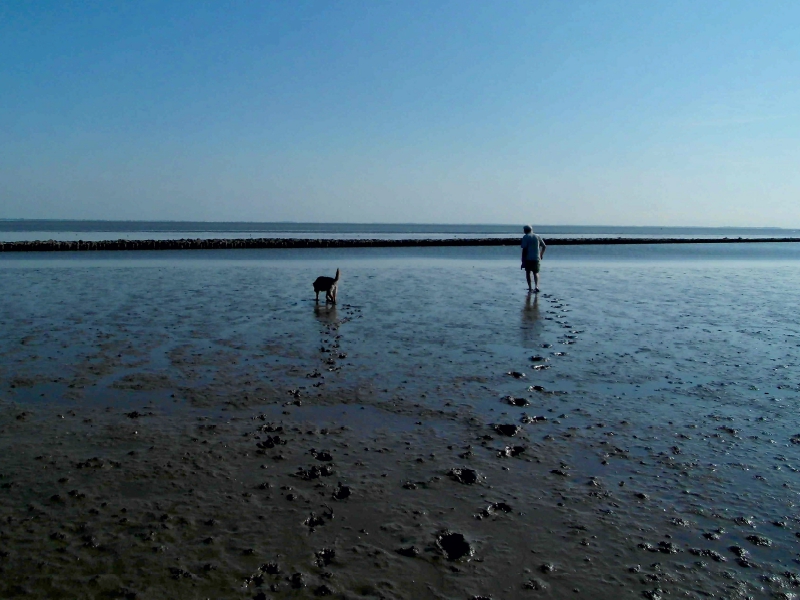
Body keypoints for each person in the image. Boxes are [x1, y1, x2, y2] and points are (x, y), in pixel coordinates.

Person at [520, 225, 546, 292]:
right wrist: (541, 255)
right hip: (536, 258)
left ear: (525, 230)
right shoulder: (537, 236)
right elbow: (544, 246)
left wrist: (523, 260)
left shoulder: (525, 237)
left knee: (528, 272)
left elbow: (524, 249)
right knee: (536, 272)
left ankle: (530, 287)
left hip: (528, 258)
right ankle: (536, 286)